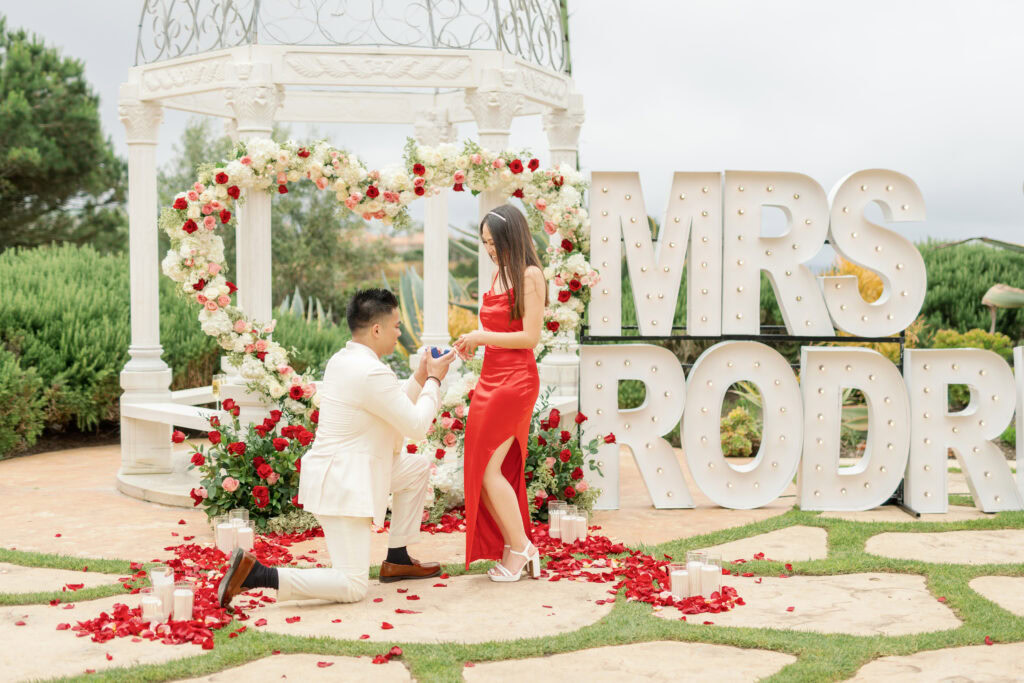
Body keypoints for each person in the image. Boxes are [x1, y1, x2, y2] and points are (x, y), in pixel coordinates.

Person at [219, 288, 457, 607]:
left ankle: (398, 557)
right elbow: (414, 425)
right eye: (397, 326)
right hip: (345, 485)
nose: (400, 332)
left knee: (414, 470)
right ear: (376, 329)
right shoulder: (370, 371)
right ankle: (257, 575)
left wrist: (418, 376)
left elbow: (390, 404)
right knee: (352, 585)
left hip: (348, 471)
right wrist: (435, 381)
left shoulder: (344, 360)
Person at [453, 204, 547, 582]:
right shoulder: (499, 275)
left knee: (491, 468)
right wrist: (474, 344)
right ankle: (514, 544)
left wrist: (480, 336)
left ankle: (523, 548)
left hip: (515, 382)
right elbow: (499, 331)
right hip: (490, 378)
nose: (489, 249)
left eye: (493, 241)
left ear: (512, 236)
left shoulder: (531, 276)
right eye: (485, 243)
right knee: (482, 468)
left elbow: (530, 338)